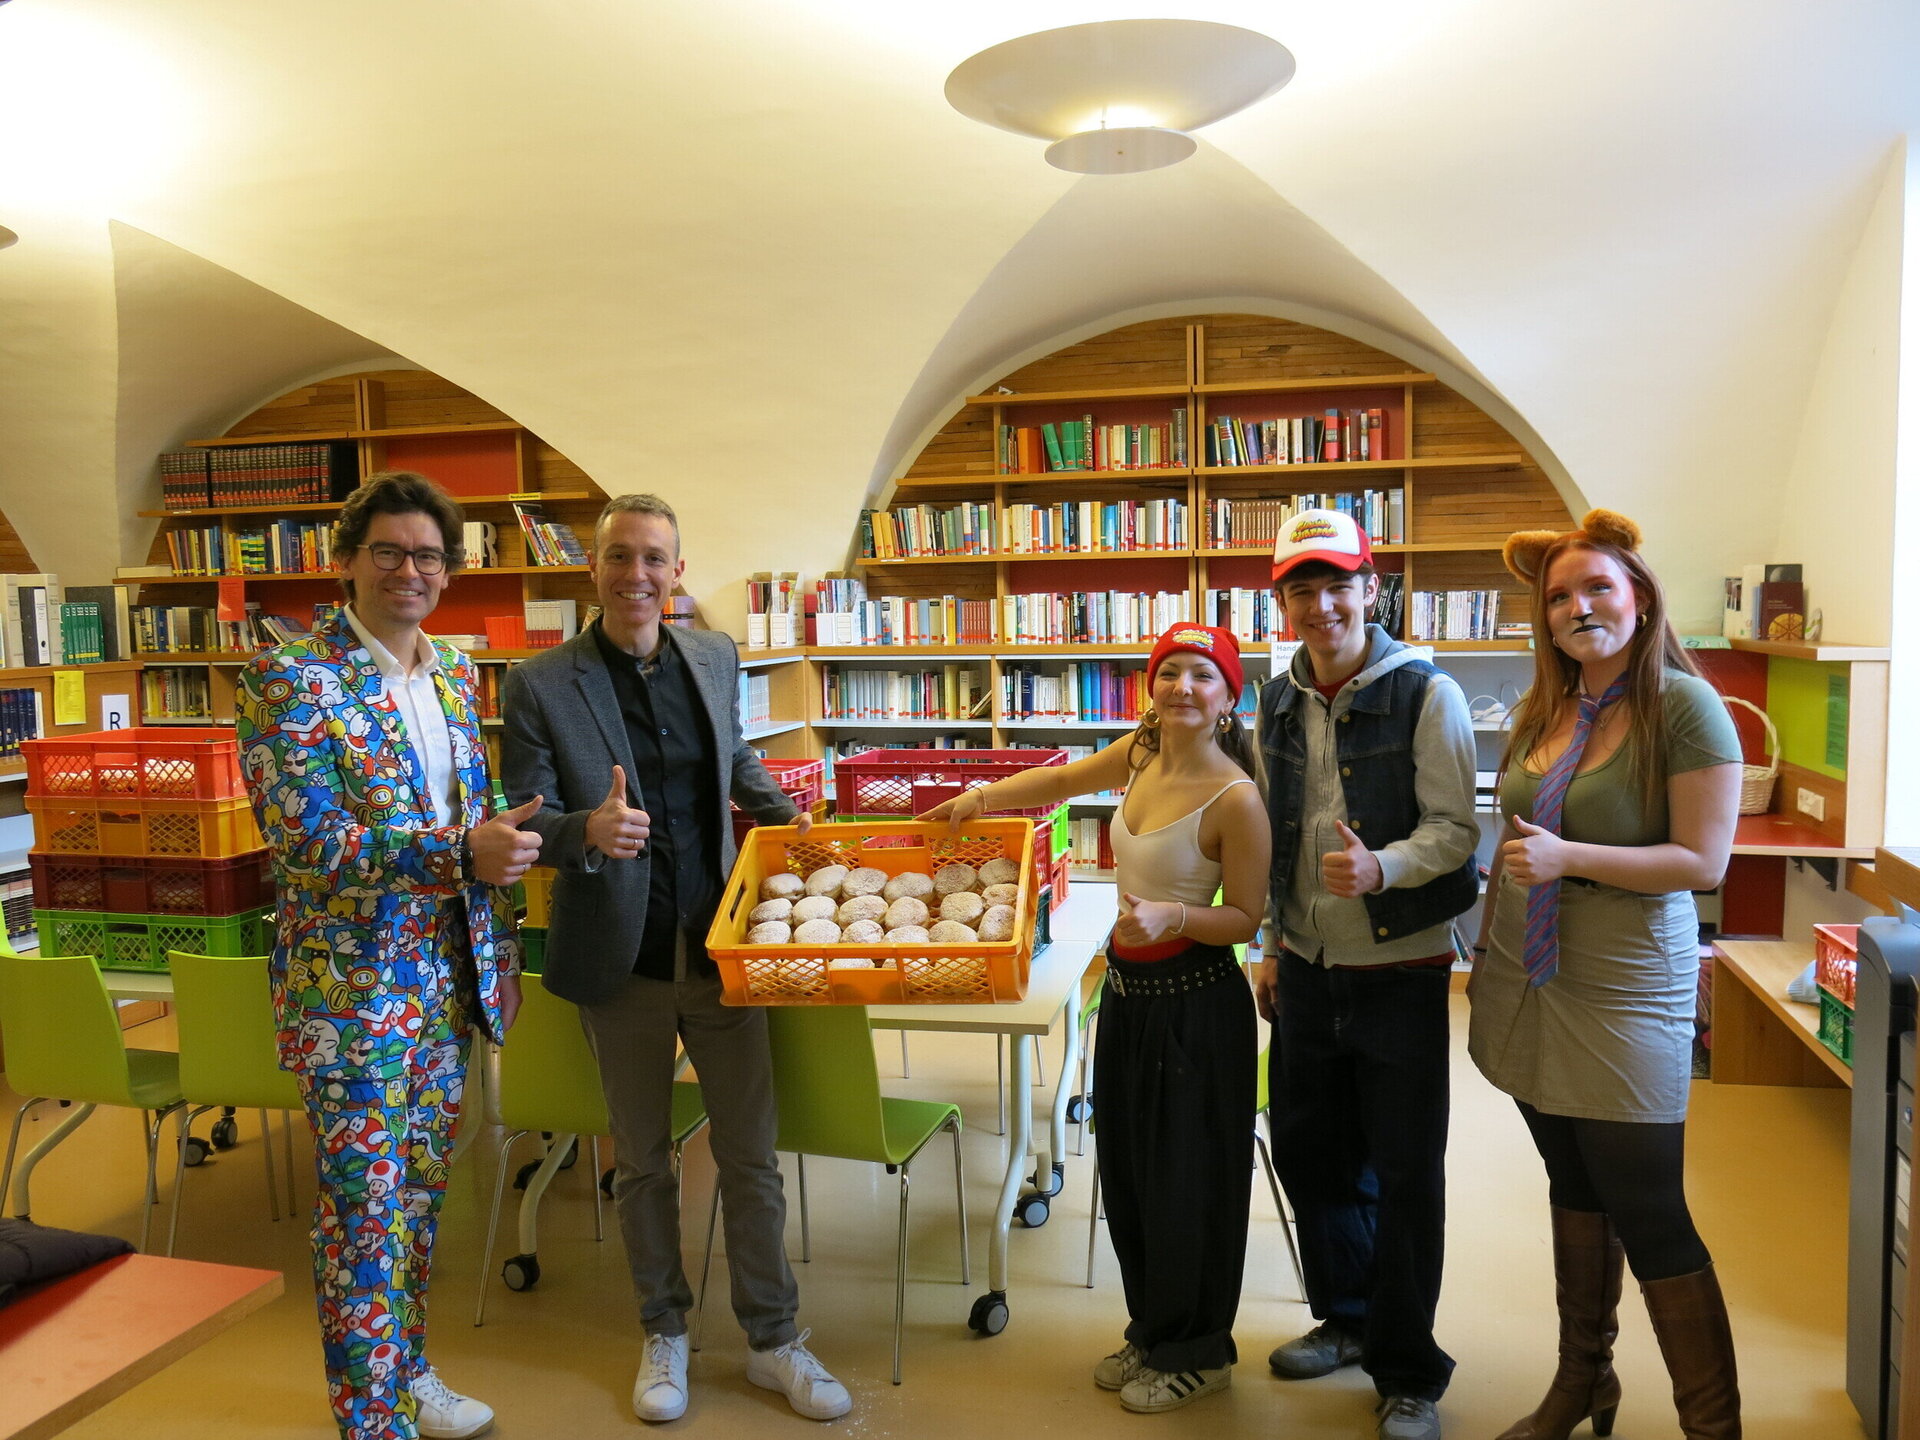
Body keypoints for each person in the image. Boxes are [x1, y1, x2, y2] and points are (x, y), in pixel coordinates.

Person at [498, 493, 849, 1424]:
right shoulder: (540, 683)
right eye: (619, 555)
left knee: (751, 1157)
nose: (636, 574)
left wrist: (786, 816)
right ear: (594, 568)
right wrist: (586, 830)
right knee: (645, 1163)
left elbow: (734, 760)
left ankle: (774, 1339)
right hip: (622, 961)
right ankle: (664, 1330)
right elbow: (525, 814)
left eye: (654, 558)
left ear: (677, 572)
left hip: (724, 949)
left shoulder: (714, 655)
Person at [236, 471, 543, 1440]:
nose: (410, 571)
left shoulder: (451, 674)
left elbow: (480, 822)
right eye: (390, 552)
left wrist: (499, 939)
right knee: (362, 1220)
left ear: (447, 572)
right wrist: (457, 855)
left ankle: (407, 1372)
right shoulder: (290, 679)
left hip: (447, 984)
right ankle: (372, 1422)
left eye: (428, 557)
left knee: (417, 1200)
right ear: (345, 562)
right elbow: (308, 842)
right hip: (349, 998)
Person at [925, 623, 1268, 1415]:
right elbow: (1059, 780)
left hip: (1196, 1004)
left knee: (1188, 1184)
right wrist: (978, 800)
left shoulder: (1237, 797)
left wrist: (1175, 916)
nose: (1183, 687)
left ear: (1228, 696)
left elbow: (1247, 917)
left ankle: (1199, 1351)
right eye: (1169, 672)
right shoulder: (1141, 751)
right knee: (1133, 1178)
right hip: (1128, 996)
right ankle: (1152, 1330)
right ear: (1151, 684)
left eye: (1202, 676)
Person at [1468, 509, 1742, 1440]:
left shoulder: (1685, 707)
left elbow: (1703, 862)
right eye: (1558, 597)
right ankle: (1582, 1382)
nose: (1578, 608)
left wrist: (1570, 858)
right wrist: (1489, 945)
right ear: (1543, 619)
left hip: (1627, 975)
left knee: (1649, 1206)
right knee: (1573, 1181)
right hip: (1529, 969)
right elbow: (1514, 841)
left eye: (1597, 588)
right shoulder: (1542, 709)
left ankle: (1714, 1428)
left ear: (1639, 599)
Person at [1254, 508, 1480, 1440]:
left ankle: (1408, 1368)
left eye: (1337, 585)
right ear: (1283, 602)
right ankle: (1346, 1319)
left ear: (1371, 588)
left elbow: (1457, 832)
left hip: (1400, 969)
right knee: (1312, 1157)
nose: (1321, 606)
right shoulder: (1276, 698)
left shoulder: (1429, 694)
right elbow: (1270, 835)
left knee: (1406, 1172)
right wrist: (1269, 943)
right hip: (1306, 968)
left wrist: (1384, 867)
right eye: (1301, 589)